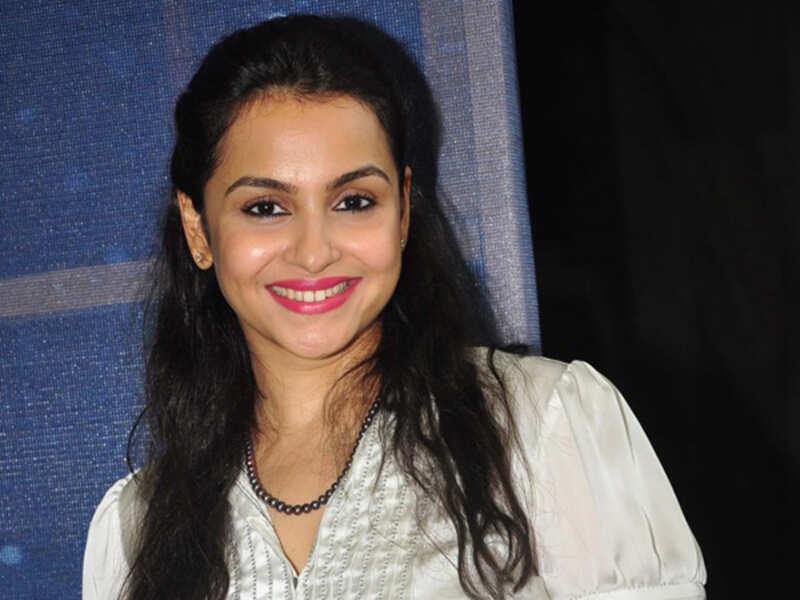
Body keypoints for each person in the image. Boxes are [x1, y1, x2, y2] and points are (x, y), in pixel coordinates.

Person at [82, 14, 706, 600]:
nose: (314, 252)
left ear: (403, 210)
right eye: (265, 208)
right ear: (198, 228)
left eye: (353, 201)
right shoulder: (136, 530)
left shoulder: (539, 428)